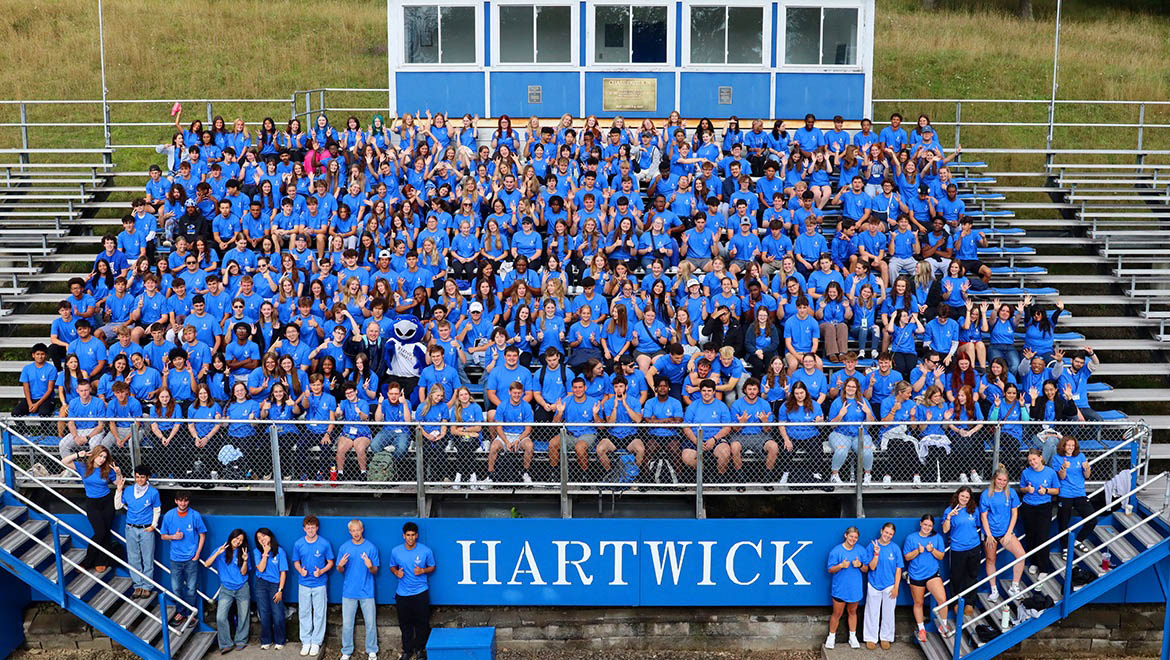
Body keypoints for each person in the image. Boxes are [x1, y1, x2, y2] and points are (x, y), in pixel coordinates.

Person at [62, 446, 120, 573]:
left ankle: (101, 561)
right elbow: (64, 461)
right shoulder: (83, 467)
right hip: (92, 503)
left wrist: (118, 473)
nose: (102, 459)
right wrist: (78, 454)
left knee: (106, 532)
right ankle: (87, 561)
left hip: (106, 502)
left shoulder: (107, 469)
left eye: (104, 457)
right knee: (100, 532)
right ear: (94, 455)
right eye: (100, 456)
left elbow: (118, 483)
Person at [389, 521, 436, 660]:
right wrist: (396, 573)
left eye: (413, 535)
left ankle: (421, 650)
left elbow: (432, 567)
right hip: (402, 594)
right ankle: (407, 651)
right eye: (408, 535)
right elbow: (392, 566)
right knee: (405, 625)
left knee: (422, 623)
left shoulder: (425, 551)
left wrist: (423, 570)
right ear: (404, 536)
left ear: (417, 536)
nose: (410, 538)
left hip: (420, 593)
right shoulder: (396, 551)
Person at [159, 491, 207, 624]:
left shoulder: (195, 515)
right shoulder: (169, 515)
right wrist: (174, 536)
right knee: (176, 588)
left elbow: (202, 535)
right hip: (175, 559)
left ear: (188, 502)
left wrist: (197, 554)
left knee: (191, 589)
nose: (182, 503)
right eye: (180, 500)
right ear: (175, 501)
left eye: (185, 500)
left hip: (191, 559)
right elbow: (163, 535)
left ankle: (190, 613)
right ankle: (181, 612)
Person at [979, 465, 1026, 602]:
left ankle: (1014, 586)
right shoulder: (986, 494)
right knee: (990, 559)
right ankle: (994, 590)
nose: (1002, 483)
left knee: (1021, 555)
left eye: (1004, 480)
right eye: (999, 479)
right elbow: (983, 516)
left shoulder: (1011, 493)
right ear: (994, 479)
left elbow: (1014, 513)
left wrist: (1009, 533)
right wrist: (988, 535)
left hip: (1006, 532)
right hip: (990, 533)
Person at [114, 463, 161, 598]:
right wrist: (119, 490)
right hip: (130, 528)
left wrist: (153, 525)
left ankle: (147, 586)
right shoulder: (128, 491)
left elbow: (157, 510)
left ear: (148, 477)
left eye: (142, 477)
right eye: (137, 477)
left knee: (147, 558)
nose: (140, 480)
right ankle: (138, 585)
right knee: (133, 558)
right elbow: (118, 506)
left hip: (146, 529)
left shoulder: (153, 493)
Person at [202, 529, 250, 653]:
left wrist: (245, 560)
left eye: (241, 540)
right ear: (231, 537)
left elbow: (244, 572)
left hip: (242, 587)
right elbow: (206, 564)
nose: (238, 541)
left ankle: (241, 640)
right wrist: (217, 553)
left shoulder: (243, 553)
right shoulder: (221, 550)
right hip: (226, 588)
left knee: (243, 615)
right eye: (236, 538)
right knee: (220, 617)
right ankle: (225, 644)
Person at [904, 514, 951, 640]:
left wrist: (932, 550)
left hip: (932, 574)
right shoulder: (911, 538)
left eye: (930, 525)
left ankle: (943, 625)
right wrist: (917, 551)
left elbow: (941, 556)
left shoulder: (937, 538)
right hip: (916, 575)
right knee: (918, 603)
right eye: (925, 524)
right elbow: (907, 557)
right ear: (920, 524)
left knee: (942, 599)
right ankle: (922, 629)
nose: (927, 527)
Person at [337, 518, 379, 660]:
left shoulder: (371, 547)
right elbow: (339, 570)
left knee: (371, 623)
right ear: (350, 532)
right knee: (347, 624)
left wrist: (370, 565)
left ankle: (372, 650)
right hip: (349, 592)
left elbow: (375, 571)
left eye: (358, 530)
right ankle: (346, 651)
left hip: (367, 592)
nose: (356, 533)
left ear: (362, 530)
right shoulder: (344, 547)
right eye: (353, 530)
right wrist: (341, 565)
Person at [293, 515, 334, 657]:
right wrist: (300, 570)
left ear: (317, 528)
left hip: (319, 584)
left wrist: (321, 571)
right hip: (303, 583)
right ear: (304, 529)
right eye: (308, 528)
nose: (310, 530)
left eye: (313, 527)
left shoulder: (324, 543)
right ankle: (306, 641)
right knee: (304, 612)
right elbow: (296, 561)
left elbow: (330, 562)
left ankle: (316, 642)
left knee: (319, 613)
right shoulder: (298, 544)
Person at [825, 526, 867, 650]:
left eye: (855, 537)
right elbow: (830, 569)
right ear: (845, 535)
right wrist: (841, 565)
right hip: (840, 588)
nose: (853, 539)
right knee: (837, 613)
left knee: (852, 612)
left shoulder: (861, 550)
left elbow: (866, 569)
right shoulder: (836, 551)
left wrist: (860, 565)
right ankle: (831, 637)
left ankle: (852, 637)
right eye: (851, 536)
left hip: (855, 588)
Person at [1019, 448, 1059, 578]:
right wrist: (1027, 489)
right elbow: (1022, 488)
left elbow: (1057, 490)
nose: (1032, 462)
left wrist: (1046, 491)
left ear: (1041, 458)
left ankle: (1044, 568)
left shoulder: (1051, 472)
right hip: (1028, 507)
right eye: (1030, 460)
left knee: (1042, 536)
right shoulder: (1026, 472)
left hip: (1044, 507)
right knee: (1030, 536)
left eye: (1034, 459)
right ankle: (1033, 562)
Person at [1052, 435, 1096, 555]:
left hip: (1079, 493)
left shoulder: (1080, 456)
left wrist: (1087, 468)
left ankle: (1077, 541)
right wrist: (1063, 468)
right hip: (1065, 494)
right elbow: (1062, 477)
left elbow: (1087, 475)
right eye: (1068, 445)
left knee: (1092, 518)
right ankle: (1065, 548)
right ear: (1063, 446)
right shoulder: (1057, 458)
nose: (1071, 447)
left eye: (1073, 445)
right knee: (1063, 522)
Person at [941, 486, 980, 620]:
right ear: (957, 496)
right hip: (958, 549)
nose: (964, 499)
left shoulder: (974, 510)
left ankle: (970, 602)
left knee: (972, 575)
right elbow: (945, 530)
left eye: (967, 497)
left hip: (974, 547)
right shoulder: (949, 510)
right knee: (956, 577)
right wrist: (949, 518)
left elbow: (978, 525)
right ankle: (957, 602)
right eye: (962, 496)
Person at [863, 522, 903, 650]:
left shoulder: (895, 548)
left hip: (889, 585)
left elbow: (898, 569)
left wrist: (896, 587)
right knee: (871, 612)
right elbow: (871, 567)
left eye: (891, 534)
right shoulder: (872, 546)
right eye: (886, 532)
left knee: (889, 612)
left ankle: (885, 637)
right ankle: (870, 638)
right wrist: (876, 554)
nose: (888, 535)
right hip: (874, 584)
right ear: (881, 531)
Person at [253, 527, 289, 650]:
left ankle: (280, 640)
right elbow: (261, 569)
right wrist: (265, 553)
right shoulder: (256, 552)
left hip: (275, 584)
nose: (262, 539)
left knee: (278, 613)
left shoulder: (280, 551)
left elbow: (283, 572)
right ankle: (266, 640)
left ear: (270, 536)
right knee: (264, 612)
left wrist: (280, 590)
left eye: (264, 536)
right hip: (261, 584)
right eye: (259, 538)